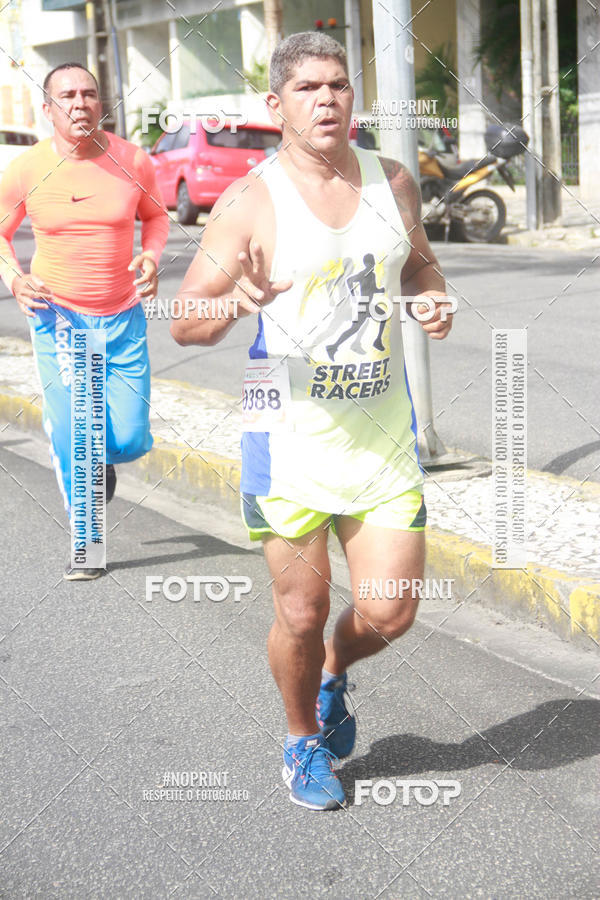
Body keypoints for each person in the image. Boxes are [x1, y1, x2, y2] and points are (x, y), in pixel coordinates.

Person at [171, 32, 453, 810]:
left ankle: (334, 674)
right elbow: (186, 322)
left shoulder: (392, 181)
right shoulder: (250, 201)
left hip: (384, 436)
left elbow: (419, 259)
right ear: (277, 104)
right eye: (307, 89)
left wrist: (431, 294)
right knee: (301, 610)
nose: (326, 100)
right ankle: (300, 743)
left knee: (392, 610)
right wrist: (236, 302)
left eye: (338, 87)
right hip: (286, 437)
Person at [0, 63, 169, 581]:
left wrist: (152, 259)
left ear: (102, 102)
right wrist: (15, 279)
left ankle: (105, 459)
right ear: (48, 109)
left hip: (122, 314)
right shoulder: (27, 168)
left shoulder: (134, 161)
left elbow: (157, 217)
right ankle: (87, 542)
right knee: (78, 429)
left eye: (89, 94)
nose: (80, 103)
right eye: (67, 95)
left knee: (132, 436)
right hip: (58, 316)